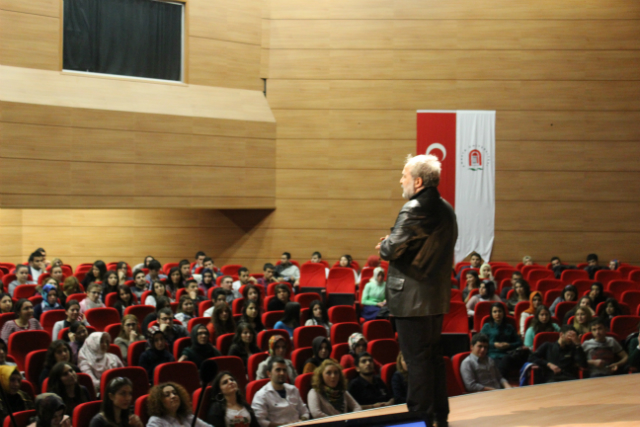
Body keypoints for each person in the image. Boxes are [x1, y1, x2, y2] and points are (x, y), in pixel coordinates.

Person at [251, 356, 310, 427]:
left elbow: (305, 412)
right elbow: (260, 421)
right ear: (269, 374)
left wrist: (302, 420)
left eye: (284, 370)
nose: (282, 373)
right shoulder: (261, 395)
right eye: (278, 370)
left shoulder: (293, 389)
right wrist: (284, 425)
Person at [479, 302, 524, 378]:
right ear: (491, 314)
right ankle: (501, 383)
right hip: (492, 354)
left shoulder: (509, 327)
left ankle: (499, 383)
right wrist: (493, 344)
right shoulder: (487, 326)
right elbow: (480, 342)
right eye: (495, 312)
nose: (497, 314)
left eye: (500, 311)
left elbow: (519, 343)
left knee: (506, 359)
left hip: (507, 354)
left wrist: (509, 345)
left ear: (503, 313)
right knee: (495, 363)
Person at [147, 382, 213, 427]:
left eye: (175, 393)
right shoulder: (155, 421)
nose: (173, 396)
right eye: (167, 395)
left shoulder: (186, 416)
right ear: (159, 401)